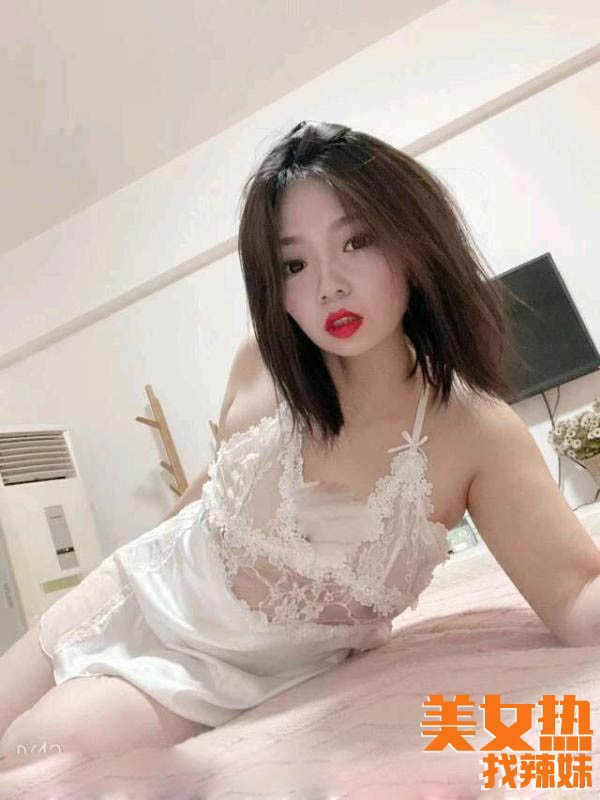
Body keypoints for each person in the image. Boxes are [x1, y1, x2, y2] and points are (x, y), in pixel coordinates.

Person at [2, 120, 599, 759]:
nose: (328, 285)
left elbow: (575, 597)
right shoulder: (260, 363)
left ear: (413, 243)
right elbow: (214, 486)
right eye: (294, 263)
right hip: (132, 590)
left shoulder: (474, 430)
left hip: (220, 676)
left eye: (356, 241)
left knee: (39, 751)